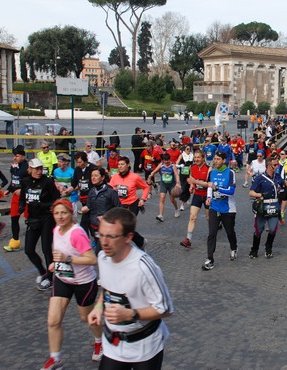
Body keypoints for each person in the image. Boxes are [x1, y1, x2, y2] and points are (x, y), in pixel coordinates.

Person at [88, 208, 173, 369]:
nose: (104, 242)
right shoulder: (103, 257)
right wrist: (98, 308)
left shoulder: (144, 267)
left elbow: (166, 309)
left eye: (111, 236)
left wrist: (131, 314)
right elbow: (106, 289)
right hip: (113, 346)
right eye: (101, 235)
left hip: (145, 348)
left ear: (129, 237)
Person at [40, 199, 102, 370]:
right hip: (62, 279)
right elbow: (59, 253)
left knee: (87, 318)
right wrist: (55, 263)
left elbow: (92, 259)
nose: (60, 216)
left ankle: (100, 342)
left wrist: (68, 259)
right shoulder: (55, 230)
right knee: (53, 320)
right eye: (56, 213)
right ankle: (55, 359)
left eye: (64, 212)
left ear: (71, 213)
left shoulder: (77, 233)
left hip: (83, 282)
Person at [19, 158, 61, 291]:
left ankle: (50, 278)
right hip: (33, 219)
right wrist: (21, 206)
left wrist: (42, 205)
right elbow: (22, 197)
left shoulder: (47, 181)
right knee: (29, 250)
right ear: (30, 169)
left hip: (47, 218)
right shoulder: (25, 181)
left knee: (46, 249)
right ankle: (43, 272)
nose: (39, 171)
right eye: (36, 168)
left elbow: (56, 199)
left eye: (40, 168)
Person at [201, 151, 237, 271]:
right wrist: (209, 197)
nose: (215, 161)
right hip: (214, 207)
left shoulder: (230, 173)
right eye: (214, 159)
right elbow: (210, 187)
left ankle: (233, 248)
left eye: (217, 159)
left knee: (229, 232)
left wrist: (219, 188)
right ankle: (210, 259)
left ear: (224, 160)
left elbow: (231, 191)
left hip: (228, 209)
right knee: (212, 233)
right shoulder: (212, 172)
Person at [82, 167, 121, 253]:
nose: (93, 178)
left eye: (96, 175)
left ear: (103, 177)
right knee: (101, 251)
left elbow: (119, 209)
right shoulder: (92, 191)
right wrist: (86, 208)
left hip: (107, 228)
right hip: (94, 226)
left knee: (99, 252)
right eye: (92, 176)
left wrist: (106, 217)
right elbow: (89, 206)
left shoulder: (110, 192)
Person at [181, 150, 211, 248]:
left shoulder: (208, 169)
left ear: (203, 158)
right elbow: (191, 179)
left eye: (198, 157)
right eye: (195, 157)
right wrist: (192, 186)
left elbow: (208, 184)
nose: (196, 159)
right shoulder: (192, 167)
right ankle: (188, 240)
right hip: (197, 195)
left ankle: (212, 234)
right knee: (192, 217)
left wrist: (195, 181)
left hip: (207, 195)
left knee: (208, 218)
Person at [3, 145, 29, 252]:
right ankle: (15, 241)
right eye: (14, 156)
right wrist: (9, 189)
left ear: (23, 156)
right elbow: (14, 180)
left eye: (17, 156)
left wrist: (22, 191)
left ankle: (30, 241)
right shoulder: (14, 166)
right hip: (16, 197)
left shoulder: (27, 168)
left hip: (27, 198)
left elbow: (29, 183)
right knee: (14, 218)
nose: (15, 158)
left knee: (29, 221)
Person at [148, 153, 181, 221]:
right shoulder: (161, 165)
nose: (166, 162)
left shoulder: (173, 166)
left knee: (172, 199)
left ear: (170, 159)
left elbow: (177, 175)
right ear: (163, 160)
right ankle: (161, 215)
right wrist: (150, 175)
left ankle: (176, 209)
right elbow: (154, 171)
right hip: (163, 184)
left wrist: (177, 183)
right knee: (162, 198)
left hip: (171, 184)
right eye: (165, 160)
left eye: (168, 160)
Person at [72, 152, 98, 235]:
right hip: (83, 198)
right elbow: (74, 184)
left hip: (93, 198)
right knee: (89, 221)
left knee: (85, 221)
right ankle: (95, 237)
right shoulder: (77, 170)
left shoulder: (93, 168)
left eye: (80, 162)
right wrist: (67, 191)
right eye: (77, 162)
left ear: (85, 160)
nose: (79, 164)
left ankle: (86, 239)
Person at [176, 145, 194, 211]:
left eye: (190, 149)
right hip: (183, 174)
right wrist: (180, 165)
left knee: (189, 187)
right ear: (184, 150)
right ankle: (182, 204)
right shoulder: (181, 156)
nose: (189, 150)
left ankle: (187, 198)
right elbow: (176, 164)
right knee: (183, 188)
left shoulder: (192, 156)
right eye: (187, 149)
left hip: (190, 174)